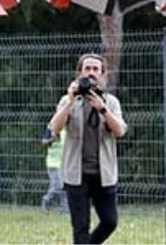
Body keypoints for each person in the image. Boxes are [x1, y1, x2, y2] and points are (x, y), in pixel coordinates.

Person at [49, 53, 128, 245]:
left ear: (102, 74)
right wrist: (70, 101)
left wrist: (102, 109)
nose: (91, 73)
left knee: (110, 221)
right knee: (80, 226)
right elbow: (54, 128)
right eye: (87, 69)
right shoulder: (68, 101)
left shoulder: (111, 102)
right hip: (76, 174)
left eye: (95, 69)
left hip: (104, 174)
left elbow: (119, 131)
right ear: (79, 73)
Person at [41, 126, 69, 214]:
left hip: (65, 163)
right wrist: (52, 140)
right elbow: (43, 142)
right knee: (58, 186)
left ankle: (65, 210)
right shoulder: (51, 127)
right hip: (53, 163)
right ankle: (46, 200)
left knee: (66, 186)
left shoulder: (68, 128)